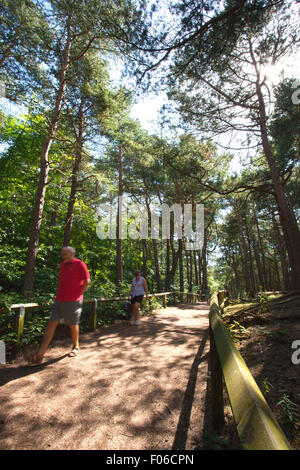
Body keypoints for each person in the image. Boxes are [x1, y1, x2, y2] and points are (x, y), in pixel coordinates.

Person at [31, 246, 90, 365]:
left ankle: (76, 346)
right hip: (59, 300)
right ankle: (40, 354)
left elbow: (87, 281)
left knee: (73, 325)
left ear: (72, 254)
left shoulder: (80, 264)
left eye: (65, 254)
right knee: (51, 324)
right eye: (62, 254)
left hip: (73, 301)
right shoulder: (63, 265)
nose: (63, 256)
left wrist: (79, 293)